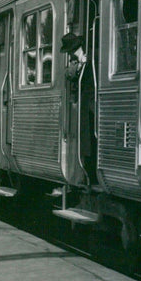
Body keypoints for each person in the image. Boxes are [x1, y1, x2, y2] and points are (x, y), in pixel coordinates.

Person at [60, 33, 96, 183]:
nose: (69, 54)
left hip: (91, 105)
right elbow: (69, 74)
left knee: (91, 139)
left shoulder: (92, 58)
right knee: (85, 140)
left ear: (75, 49)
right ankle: (88, 172)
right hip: (85, 105)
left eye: (70, 51)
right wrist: (80, 65)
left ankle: (91, 173)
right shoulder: (76, 62)